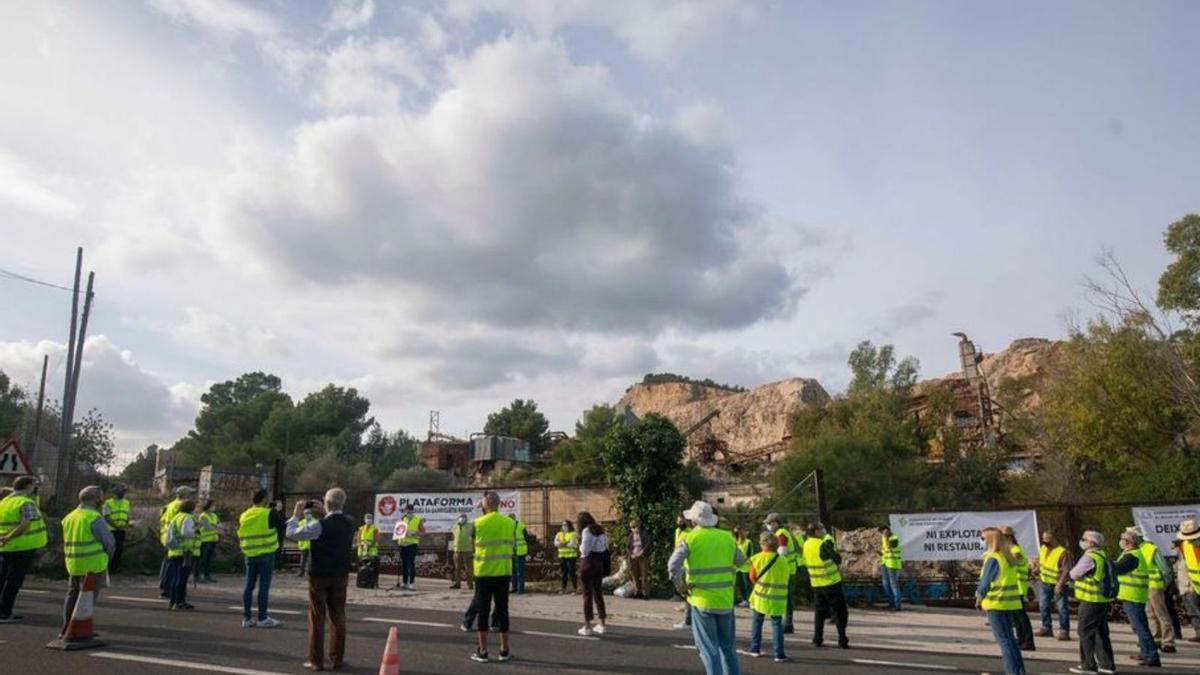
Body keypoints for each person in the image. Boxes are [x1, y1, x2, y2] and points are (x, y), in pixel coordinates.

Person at [669, 500, 744, 675]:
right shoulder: (727, 537)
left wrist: (681, 586)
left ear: (693, 521)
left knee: (709, 650)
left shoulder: (689, 538)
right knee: (728, 648)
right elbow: (741, 561)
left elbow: (673, 566)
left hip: (701, 600)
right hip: (725, 601)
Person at [287, 487, 355, 672]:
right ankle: (337, 659)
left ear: (326, 502)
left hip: (319, 575)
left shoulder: (318, 525)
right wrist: (327, 511)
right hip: (340, 574)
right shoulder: (350, 522)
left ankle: (316, 660)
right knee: (338, 616)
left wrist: (296, 514)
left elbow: (292, 533)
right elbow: (336, 519)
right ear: (343, 503)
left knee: (317, 617)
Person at [59, 485, 114, 637]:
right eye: (100, 497)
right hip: (93, 565)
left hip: (74, 563)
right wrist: (109, 556)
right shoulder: (94, 518)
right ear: (96, 499)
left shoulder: (69, 517)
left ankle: (66, 628)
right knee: (87, 598)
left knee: (72, 595)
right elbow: (109, 542)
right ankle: (80, 630)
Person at [468, 491, 515, 663]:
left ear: (485, 504)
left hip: (483, 573)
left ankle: (483, 651)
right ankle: (504, 650)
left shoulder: (477, 523)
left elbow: (472, 546)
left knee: (483, 611)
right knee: (503, 611)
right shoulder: (510, 523)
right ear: (499, 504)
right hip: (503, 572)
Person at [975, 527, 1026, 675]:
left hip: (996, 603)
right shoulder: (1006, 556)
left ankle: (1012, 672)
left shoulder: (993, 559)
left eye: (983, 538)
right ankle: (1018, 671)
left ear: (990, 540)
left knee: (1004, 642)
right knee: (1010, 640)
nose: (981, 541)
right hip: (1008, 602)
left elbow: (985, 583)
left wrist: (979, 597)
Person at [0, 476, 47, 623]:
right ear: (28, 486)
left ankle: (4, 610)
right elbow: (25, 524)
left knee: (3, 578)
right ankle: (5, 612)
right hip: (21, 546)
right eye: (34, 485)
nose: (34, 488)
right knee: (13, 581)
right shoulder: (26, 503)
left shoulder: (5, 501)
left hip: (5, 546)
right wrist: (9, 537)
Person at [1069, 530, 1116, 674]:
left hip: (1090, 599)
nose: (1082, 541)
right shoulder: (1102, 555)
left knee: (1085, 631)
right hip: (1101, 599)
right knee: (1101, 631)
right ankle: (1107, 664)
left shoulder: (1089, 557)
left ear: (1092, 542)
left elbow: (1074, 573)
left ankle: (1088, 665)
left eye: (1084, 539)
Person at [1114, 528, 1160, 667]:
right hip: (1133, 594)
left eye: (1122, 539)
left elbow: (1118, 568)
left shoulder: (1132, 556)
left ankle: (1152, 656)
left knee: (1140, 627)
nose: (1120, 542)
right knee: (1138, 627)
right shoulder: (1130, 554)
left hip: (1133, 595)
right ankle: (1146, 653)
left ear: (1127, 542)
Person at [743, 531, 791, 662]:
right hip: (777, 598)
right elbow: (787, 577)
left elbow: (752, 577)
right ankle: (779, 654)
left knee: (757, 622)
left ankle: (755, 649)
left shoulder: (757, 558)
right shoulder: (783, 560)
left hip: (760, 597)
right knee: (777, 625)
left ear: (764, 544)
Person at [238, 488, 281, 628]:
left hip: (250, 554)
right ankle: (262, 618)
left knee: (248, 586)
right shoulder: (269, 513)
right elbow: (282, 526)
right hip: (266, 553)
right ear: (264, 499)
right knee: (263, 586)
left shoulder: (244, 515)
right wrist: (278, 510)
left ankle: (246, 618)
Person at [1129, 527, 1176, 654]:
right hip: (1143, 586)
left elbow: (1164, 569)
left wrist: (1164, 584)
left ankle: (1168, 641)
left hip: (1154, 586)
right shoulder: (1135, 549)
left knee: (1161, 613)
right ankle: (1156, 638)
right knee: (1150, 613)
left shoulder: (1151, 548)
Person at [804, 522, 849, 649]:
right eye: (821, 528)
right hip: (831, 582)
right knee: (840, 612)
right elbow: (837, 559)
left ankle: (817, 638)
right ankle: (842, 639)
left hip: (816, 583)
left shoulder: (806, 544)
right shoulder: (822, 544)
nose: (824, 531)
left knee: (819, 612)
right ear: (817, 531)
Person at [998, 525, 1035, 651]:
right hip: (1015, 587)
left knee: (1020, 616)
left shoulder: (1014, 548)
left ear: (1007, 537)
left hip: (1018, 586)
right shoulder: (1010, 548)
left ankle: (1028, 641)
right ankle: (1021, 639)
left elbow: (1016, 559)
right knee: (1016, 616)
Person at [764, 513, 800, 633]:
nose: (768, 526)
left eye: (769, 523)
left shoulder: (781, 534)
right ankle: (788, 623)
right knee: (787, 597)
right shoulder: (782, 533)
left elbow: (782, 552)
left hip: (786, 569)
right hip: (789, 568)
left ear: (775, 523)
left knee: (787, 598)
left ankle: (788, 624)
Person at [159, 485, 196, 598]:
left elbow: (162, 520)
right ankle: (170, 590)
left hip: (166, 537)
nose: (192, 496)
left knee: (168, 564)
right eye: (190, 494)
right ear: (184, 495)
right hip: (176, 540)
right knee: (174, 568)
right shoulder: (180, 506)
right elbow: (181, 524)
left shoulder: (169, 505)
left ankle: (165, 588)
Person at [1035, 528, 1071, 640]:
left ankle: (1064, 630)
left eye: (1047, 539)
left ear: (1054, 539)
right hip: (1044, 582)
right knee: (1043, 606)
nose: (1044, 541)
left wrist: (1060, 584)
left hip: (1058, 584)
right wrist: (1037, 569)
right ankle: (1046, 627)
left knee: (1062, 608)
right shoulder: (1043, 549)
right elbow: (1040, 562)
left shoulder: (1062, 552)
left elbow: (1066, 570)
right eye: (1043, 539)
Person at [577, 511, 608, 637]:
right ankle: (602, 623)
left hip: (587, 562)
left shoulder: (586, 531)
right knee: (598, 593)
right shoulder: (600, 530)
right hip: (598, 561)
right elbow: (605, 547)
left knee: (587, 594)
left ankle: (587, 625)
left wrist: (579, 547)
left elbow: (585, 550)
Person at [164, 498, 198, 610]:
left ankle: (172, 601)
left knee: (175, 577)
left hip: (174, 550)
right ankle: (179, 601)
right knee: (182, 578)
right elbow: (187, 532)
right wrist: (196, 532)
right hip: (185, 551)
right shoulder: (188, 518)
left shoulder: (176, 517)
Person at [1172, 537, 1200, 642]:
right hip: (1186, 587)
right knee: (1193, 612)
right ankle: (1198, 633)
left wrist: (1190, 586)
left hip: (1191, 587)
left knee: (1196, 611)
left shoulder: (1191, 550)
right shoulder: (1182, 554)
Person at [392, 504, 422, 589]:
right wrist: (398, 535)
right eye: (407, 510)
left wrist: (415, 533)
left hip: (412, 544)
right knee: (404, 564)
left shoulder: (417, 520)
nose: (408, 511)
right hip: (402, 544)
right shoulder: (402, 519)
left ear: (413, 510)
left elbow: (422, 532)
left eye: (410, 510)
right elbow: (397, 531)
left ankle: (411, 583)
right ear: (405, 511)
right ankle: (405, 582)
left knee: (411, 563)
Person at [101, 485, 131, 573]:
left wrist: (126, 524)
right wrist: (116, 526)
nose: (123, 493)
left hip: (121, 530)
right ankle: (106, 568)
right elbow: (106, 516)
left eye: (124, 491)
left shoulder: (126, 502)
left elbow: (127, 515)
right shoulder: (108, 503)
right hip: (111, 530)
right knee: (109, 550)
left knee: (119, 550)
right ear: (115, 492)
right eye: (121, 491)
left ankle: (115, 568)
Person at [673, 515, 694, 630]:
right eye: (678, 520)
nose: (680, 522)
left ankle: (688, 619)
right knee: (682, 589)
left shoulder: (690, 533)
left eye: (682, 521)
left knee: (687, 590)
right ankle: (687, 611)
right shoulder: (677, 531)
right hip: (678, 563)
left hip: (686, 565)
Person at [194, 499, 220, 584]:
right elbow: (208, 526)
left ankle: (207, 575)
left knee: (209, 559)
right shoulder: (203, 516)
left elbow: (218, 525)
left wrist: (215, 526)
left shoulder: (214, 515)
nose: (214, 507)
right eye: (212, 505)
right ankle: (197, 575)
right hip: (204, 540)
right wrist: (216, 527)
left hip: (213, 539)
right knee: (202, 559)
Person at [879, 525, 902, 611]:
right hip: (885, 563)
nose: (882, 533)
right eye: (881, 532)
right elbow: (886, 551)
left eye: (883, 531)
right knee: (885, 584)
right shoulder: (883, 538)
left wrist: (885, 537)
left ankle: (897, 605)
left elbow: (891, 546)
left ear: (887, 530)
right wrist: (881, 554)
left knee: (893, 584)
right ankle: (891, 603)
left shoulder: (894, 537)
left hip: (893, 564)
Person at [449, 513, 474, 590]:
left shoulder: (471, 526)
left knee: (469, 568)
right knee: (457, 568)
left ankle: (470, 584)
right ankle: (457, 583)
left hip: (467, 550)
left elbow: (474, 536)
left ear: (466, 518)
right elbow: (453, 537)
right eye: (461, 516)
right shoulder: (455, 526)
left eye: (464, 516)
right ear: (458, 518)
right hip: (457, 550)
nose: (462, 518)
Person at [554, 519, 578, 594]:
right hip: (562, 556)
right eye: (563, 525)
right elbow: (555, 543)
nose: (564, 526)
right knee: (564, 573)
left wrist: (561, 543)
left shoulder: (573, 534)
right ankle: (564, 588)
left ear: (569, 526)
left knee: (572, 573)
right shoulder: (559, 534)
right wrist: (565, 543)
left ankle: (575, 588)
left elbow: (572, 544)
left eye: (565, 525)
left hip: (571, 556)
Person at [296, 503, 318, 578]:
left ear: (311, 514)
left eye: (308, 513)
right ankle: (301, 572)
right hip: (303, 544)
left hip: (312, 544)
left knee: (310, 561)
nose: (307, 515)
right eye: (305, 513)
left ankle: (308, 573)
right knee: (302, 560)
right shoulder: (301, 522)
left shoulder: (315, 522)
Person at [734, 528, 752, 608]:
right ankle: (744, 600)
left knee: (746, 585)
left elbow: (749, 554)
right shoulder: (736, 542)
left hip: (746, 567)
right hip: (738, 567)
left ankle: (749, 600)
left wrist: (743, 560)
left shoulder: (748, 542)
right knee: (740, 584)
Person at [511, 514, 529, 594]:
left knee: (520, 571)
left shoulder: (521, 526)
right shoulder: (507, 527)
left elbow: (526, 538)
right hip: (511, 551)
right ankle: (514, 587)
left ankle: (520, 588)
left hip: (520, 551)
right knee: (513, 571)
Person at [270, 500, 287, 570]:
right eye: (279, 506)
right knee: (276, 549)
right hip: (275, 534)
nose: (281, 507)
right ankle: (275, 565)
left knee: (278, 549)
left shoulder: (279, 513)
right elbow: (281, 523)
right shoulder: (274, 513)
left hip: (279, 533)